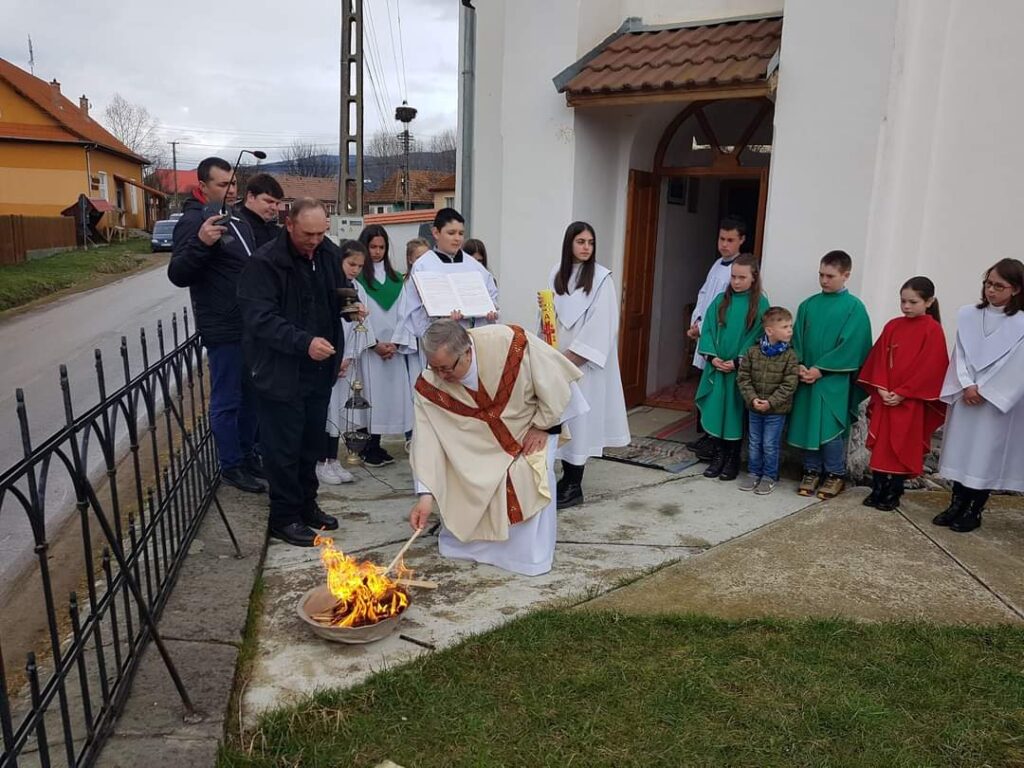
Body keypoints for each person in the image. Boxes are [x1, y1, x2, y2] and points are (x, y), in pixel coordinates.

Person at [407, 320, 588, 576]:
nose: (441, 376)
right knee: (463, 478)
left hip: (530, 429)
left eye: (446, 368)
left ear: (467, 351)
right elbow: (427, 440)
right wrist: (425, 496)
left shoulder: (509, 343)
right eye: (434, 368)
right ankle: (473, 548)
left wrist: (545, 426)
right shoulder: (430, 384)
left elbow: (557, 380)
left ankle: (525, 558)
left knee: (528, 472)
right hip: (478, 448)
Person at [238, 198, 364, 547]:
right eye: (308, 234)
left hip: (318, 369)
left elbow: (340, 291)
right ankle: (284, 517)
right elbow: (260, 319)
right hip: (279, 370)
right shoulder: (264, 263)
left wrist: (351, 308)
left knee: (311, 444)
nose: (315, 241)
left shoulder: (327, 253)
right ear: (289, 224)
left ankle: (307, 505)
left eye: (321, 233)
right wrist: (304, 342)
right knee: (283, 449)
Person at [168, 156, 262, 493]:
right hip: (222, 326)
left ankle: (248, 455)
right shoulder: (194, 221)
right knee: (228, 399)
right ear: (203, 186)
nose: (231, 190)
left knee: (252, 396)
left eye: (234, 183)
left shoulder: (236, 217)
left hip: (250, 323)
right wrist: (201, 243)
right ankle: (231, 466)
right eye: (223, 185)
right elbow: (178, 273)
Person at [934, 258, 1024, 533]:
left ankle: (974, 509)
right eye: (988, 283)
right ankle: (956, 503)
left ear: (1016, 289)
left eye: (999, 286)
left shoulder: (1021, 323)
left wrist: (984, 388)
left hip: (993, 401)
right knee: (960, 449)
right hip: (966, 395)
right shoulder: (969, 315)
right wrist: (966, 384)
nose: (991, 290)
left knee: (984, 454)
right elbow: (960, 353)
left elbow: (1015, 362)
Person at [545, 221, 629, 509]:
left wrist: (571, 359)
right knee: (561, 417)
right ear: (569, 243)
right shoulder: (557, 273)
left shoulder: (602, 279)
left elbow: (602, 326)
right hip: (558, 360)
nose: (586, 247)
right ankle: (563, 477)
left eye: (590, 242)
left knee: (580, 421)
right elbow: (547, 314)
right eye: (580, 241)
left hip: (584, 365)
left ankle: (574, 484)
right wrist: (548, 352)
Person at [787, 250, 873, 499]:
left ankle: (835, 473)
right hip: (807, 377)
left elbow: (854, 345)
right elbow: (797, 339)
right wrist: (800, 364)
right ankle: (811, 470)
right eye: (821, 275)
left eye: (830, 276)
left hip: (834, 381)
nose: (824, 280)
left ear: (846, 275)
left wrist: (821, 369)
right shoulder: (808, 305)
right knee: (808, 424)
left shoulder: (854, 308)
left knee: (829, 428)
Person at [857, 277, 948, 511]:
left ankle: (894, 490)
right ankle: (878, 487)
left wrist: (903, 393)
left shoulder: (932, 330)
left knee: (903, 445)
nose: (906, 306)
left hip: (909, 402)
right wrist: (881, 388)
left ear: (929, 302)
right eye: (903, 301)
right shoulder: (893, 326)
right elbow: (878, 357)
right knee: (882, 445)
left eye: (913, 302)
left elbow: (931, 367)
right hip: (886, 398)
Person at [694, 254, 770, 482]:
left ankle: (732, 458)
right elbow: (708, 329)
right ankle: (717, 456)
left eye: (742, 277)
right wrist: (712, 357)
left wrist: (737, 360)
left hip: (739, 371)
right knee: (716, 411)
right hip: (717, 368)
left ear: (754, 277)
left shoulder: (760, 304)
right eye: (733, 277)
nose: (736, 282)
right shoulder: (720, 300)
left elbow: (757, 336)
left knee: (734, 414)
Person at [391, 208, 499, 360]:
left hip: (471, 343)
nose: (457, 238)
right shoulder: (423, 266)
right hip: (439, 344)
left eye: (461, 233)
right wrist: (441, 321)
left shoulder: (474, 266)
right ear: (436, 233)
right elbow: (412, 309)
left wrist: (489, 313)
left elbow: (491, 297)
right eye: (451, 233)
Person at [685, 216, 748, 460]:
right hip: (705, 333)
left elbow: (724, 307)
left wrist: (703, 327)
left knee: (719, 393)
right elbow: (704, 295)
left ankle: (716, 442)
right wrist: (696, 321)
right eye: (722, 239)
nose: (724, 244)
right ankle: (707, 434)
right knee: (706, 386)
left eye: (730, 240)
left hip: (721, 339)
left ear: (742, 240)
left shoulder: (739, 270)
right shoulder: (716, 264)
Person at [354, 224, 414, 466]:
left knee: (387, 399)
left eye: (382, 247)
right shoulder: (358, 279)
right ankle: (366, 447)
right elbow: (357, 317)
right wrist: (374, 344)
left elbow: (405, 314)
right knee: (368, 396)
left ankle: (377, 445)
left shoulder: (397, 279)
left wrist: (396, 342)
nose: (377, 251)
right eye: (372, 247)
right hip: (369, 350)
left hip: (392, 350)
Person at [319, 241, 370, 485]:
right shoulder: (331, 287)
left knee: (338, 412)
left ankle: (333, 459)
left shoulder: (357, 288)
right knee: (326, 412)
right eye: (351, 264)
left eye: (360, 266)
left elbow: (360, 326)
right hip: (329, 357)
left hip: (346, 361)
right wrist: (335, 356)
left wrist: (349, 356)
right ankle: (320, 461)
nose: (355, 270)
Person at [736, 306, 799, 495]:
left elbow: (789, 384)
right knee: (754, 442)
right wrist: (753, 399)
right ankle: (753, 473)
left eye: (790, 326)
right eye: (785, 327)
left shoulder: (790, 356)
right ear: (770, 331)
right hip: (754, 407)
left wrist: (771, 402)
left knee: (770, 444)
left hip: (776, 410)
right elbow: (743, 378)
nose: (790, 330)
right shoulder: (752, 352)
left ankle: (769, 476)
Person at [234, 173, 283, 248]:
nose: (274, 208)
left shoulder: (277, 232)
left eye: (277, 204)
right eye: (269, 201)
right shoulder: (236, 228)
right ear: (251, 197)